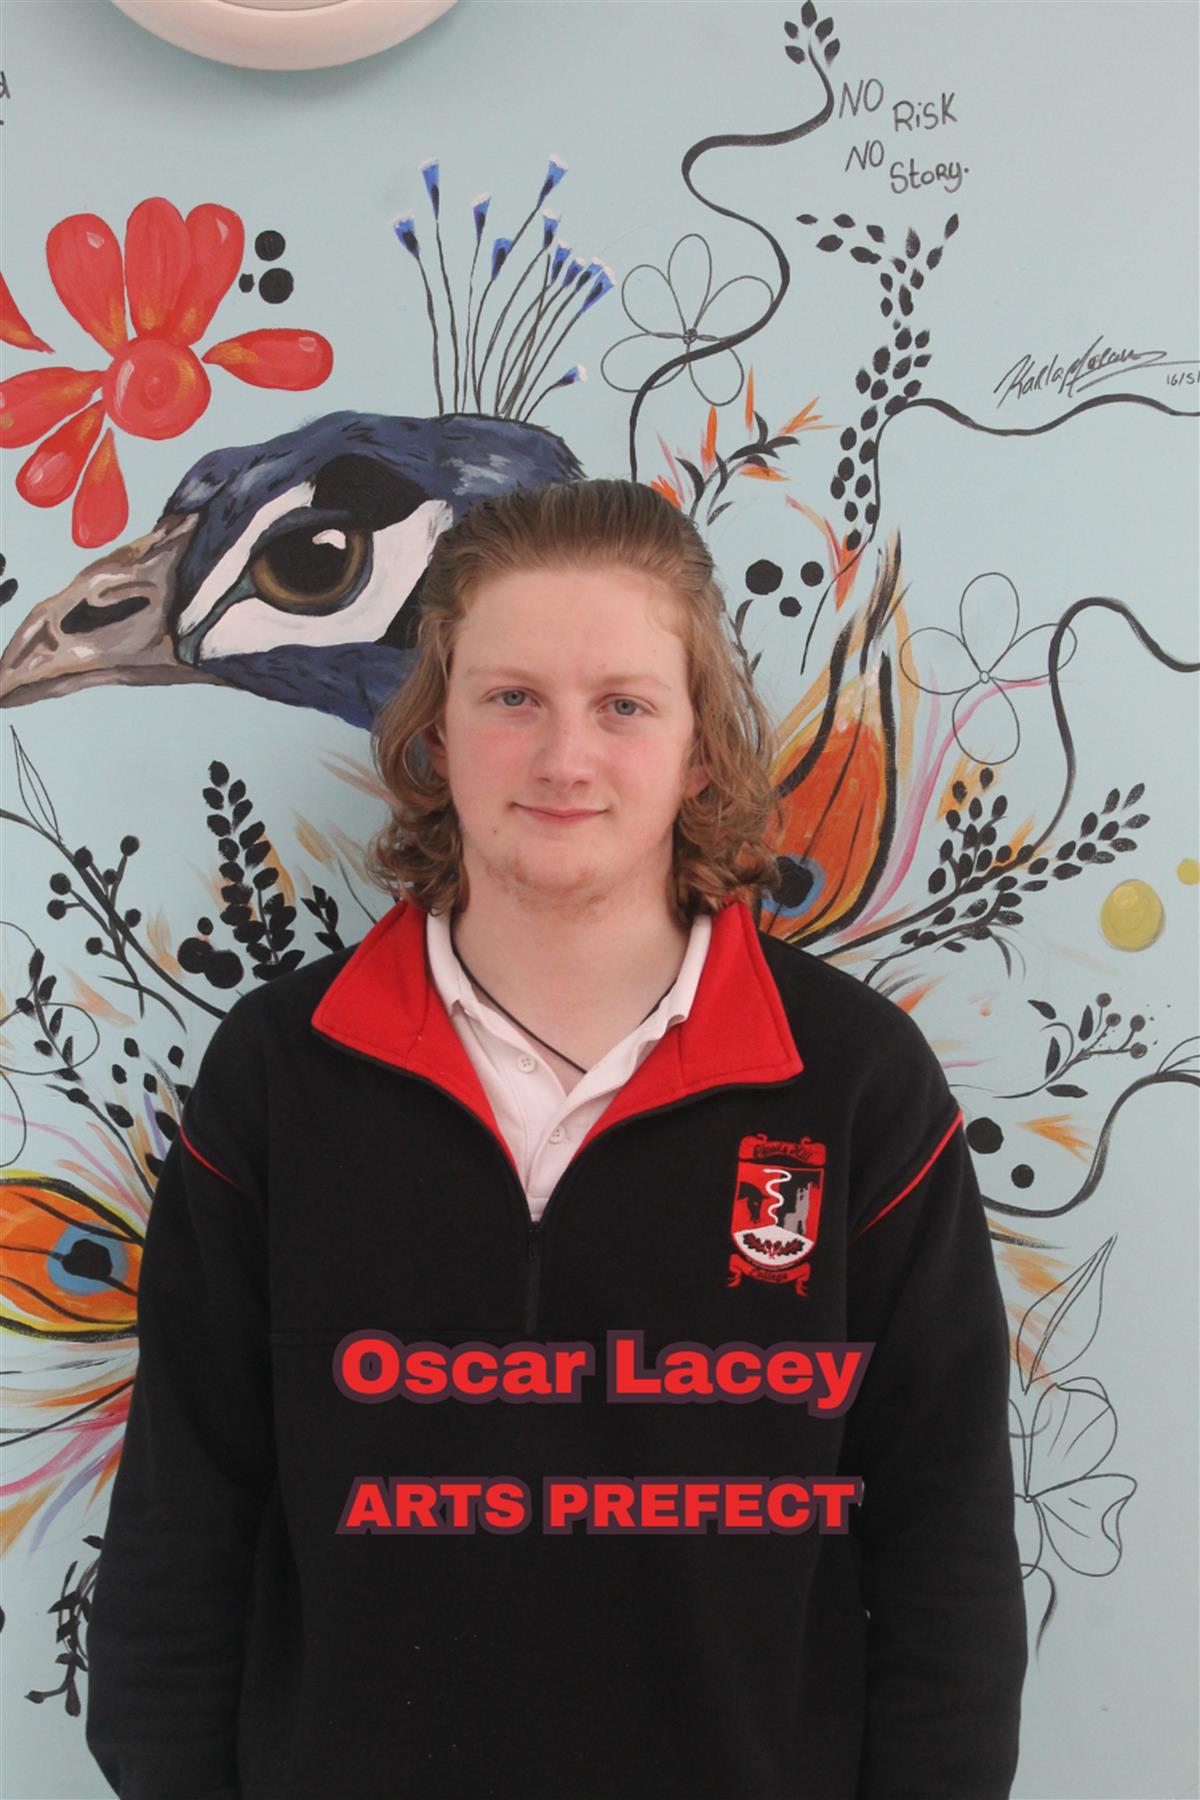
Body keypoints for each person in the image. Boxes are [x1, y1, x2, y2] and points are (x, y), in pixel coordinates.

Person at [85, 477, 1027, 1799]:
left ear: (701, 748)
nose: (564, 759)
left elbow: (946, 1550)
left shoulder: (855, 1084)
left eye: (624, 705)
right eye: (512, 697)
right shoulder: (282, 1073)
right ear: (436, 730)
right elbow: (184, 1515)